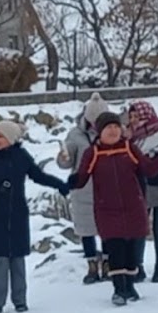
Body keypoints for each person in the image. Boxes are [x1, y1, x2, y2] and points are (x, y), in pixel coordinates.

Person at [0, 120, 69, 313]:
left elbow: (38, 176)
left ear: (11, 138)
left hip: (16, 214)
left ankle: (20, 300)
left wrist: (60, 184)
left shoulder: (21, 157)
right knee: (0, 260)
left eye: (0, 136)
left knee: (18, 259)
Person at [68, 112, 152, 306]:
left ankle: (130, 286)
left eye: (116, 127)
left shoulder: (129, 148)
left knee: (131, 250)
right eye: (109, 128)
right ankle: (118, 289)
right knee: (115, 249)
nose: (113, 131)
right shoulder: (94, 152)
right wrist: (74, 181)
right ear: (100, 132)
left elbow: (148, 168)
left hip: (132, 206)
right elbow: (82, 177)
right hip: (107, 209)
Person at [125, 100, 158, 283]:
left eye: (136, 116)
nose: (133, 120)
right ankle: (138, 266)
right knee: (140, 228)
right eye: (131, 117)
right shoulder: (133, 136)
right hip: (142, 186)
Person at [57, 94, 109, 284]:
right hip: (83, 188)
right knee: (86, 230)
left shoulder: (111, 133)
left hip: (107, 188)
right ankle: (92, 266)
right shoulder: (75, 135)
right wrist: (63, 158)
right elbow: (68, 159)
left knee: (108, 229)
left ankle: (108, 263)